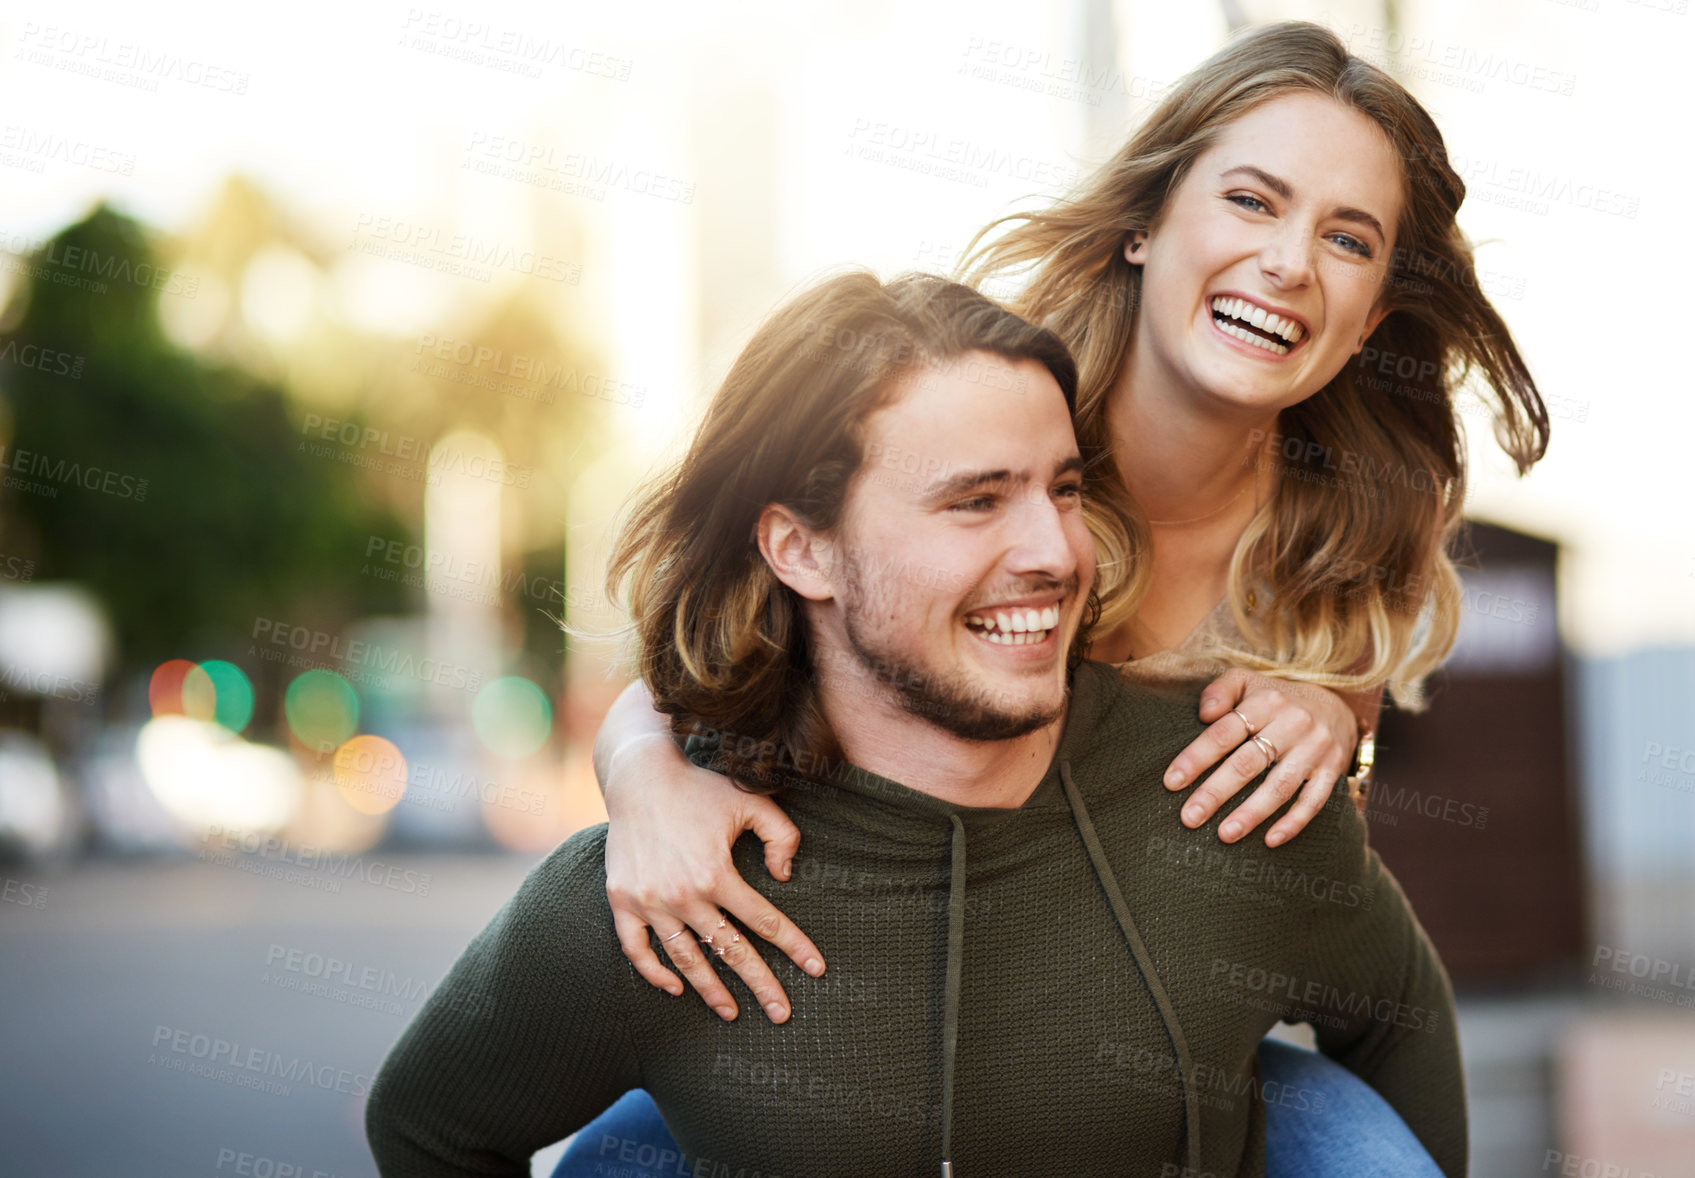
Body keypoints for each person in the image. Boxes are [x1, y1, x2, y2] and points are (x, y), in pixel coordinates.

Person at [366, 271, 1462, 1178]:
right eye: (975, 500)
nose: (1053, 550)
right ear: (801, 548)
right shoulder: (667, 883)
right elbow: (430, 1130)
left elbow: (1399, 1009)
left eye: (1064, 488)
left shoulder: (1228, 791)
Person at [582, 19, 1546, 1029]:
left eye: (1349, 239)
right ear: (1144, 224)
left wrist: (1334, 723)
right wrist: (648, 783)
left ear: (1373, 321)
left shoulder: (1356, 531)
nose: (1290, 261)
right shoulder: (976, 414)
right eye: (1251, 200)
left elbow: (1314, 894)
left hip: (1140, 1040)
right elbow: (699, 661)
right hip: (830, 996)